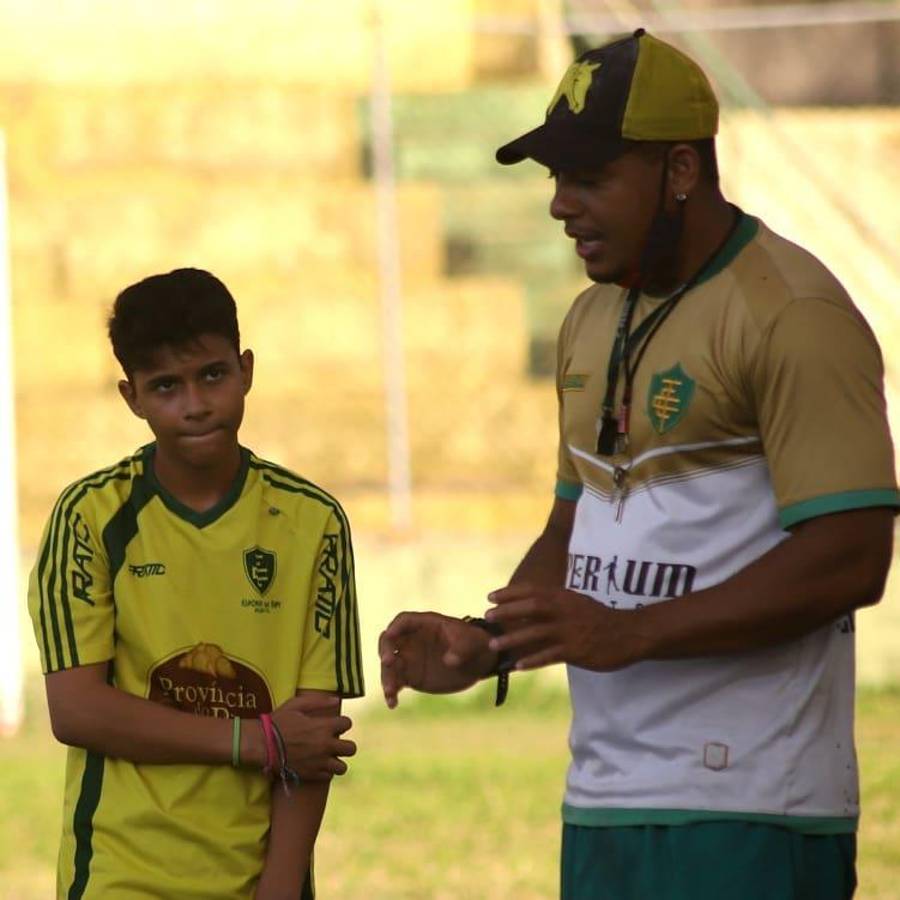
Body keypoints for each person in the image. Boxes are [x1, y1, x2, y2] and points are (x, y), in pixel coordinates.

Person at [379, 29, 897, 899]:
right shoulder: (590, 319)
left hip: (751, 810)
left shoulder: (794, 312)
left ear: (682, 172)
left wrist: (630, 634)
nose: (560, 205)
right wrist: (491, 643)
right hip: (604, 803)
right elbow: (572, 524)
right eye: (556, 178)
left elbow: (852, 555)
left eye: (590, 177)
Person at [27, 268, 363, 899]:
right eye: (165, 386)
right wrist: (255, 740)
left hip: (260, 876)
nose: (195, 403)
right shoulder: (90, 518)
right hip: (120, 877)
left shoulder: (312, 522)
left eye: (212, 374)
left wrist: (281, 885)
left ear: (246, 369)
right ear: (131, 397)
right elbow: (75, 709)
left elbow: (313, 737)